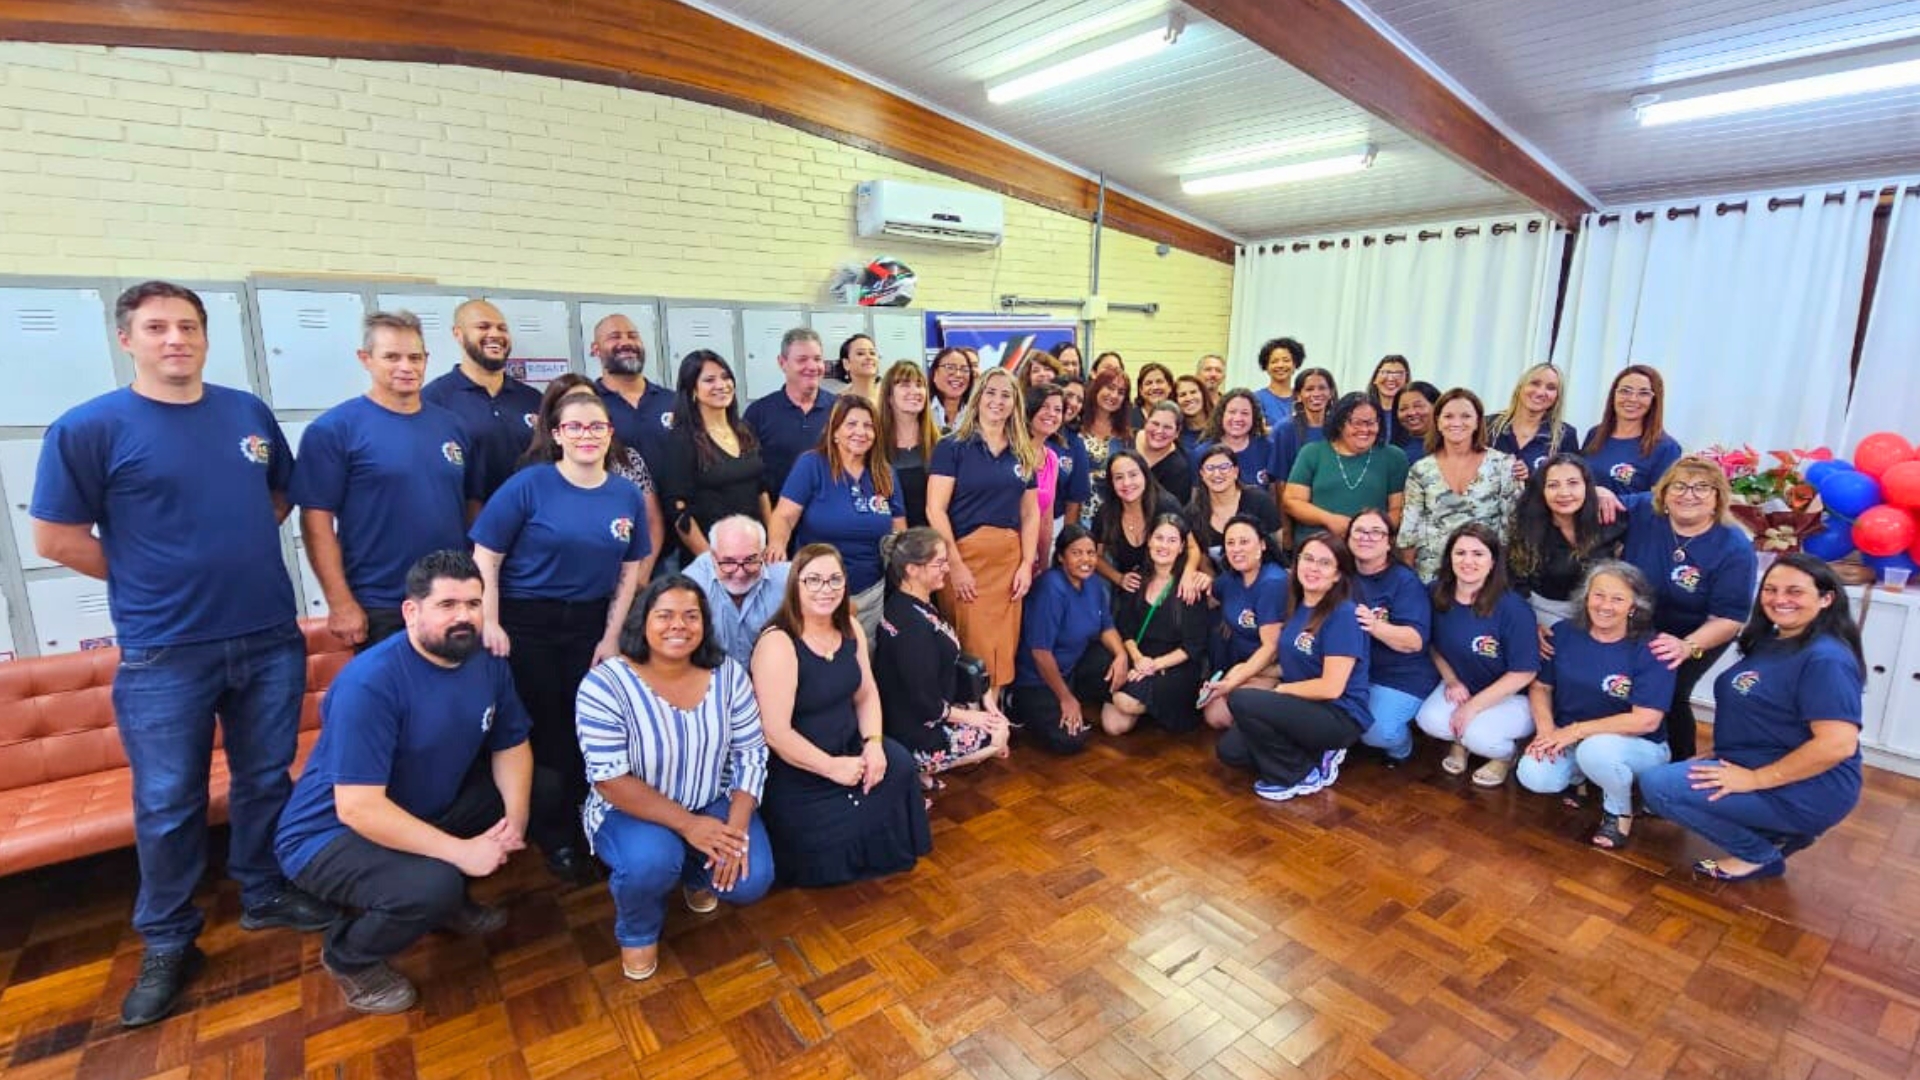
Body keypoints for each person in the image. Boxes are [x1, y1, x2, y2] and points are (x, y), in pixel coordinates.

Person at [32, 281, 336, 1028]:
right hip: (166, 651)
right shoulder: (90, 428)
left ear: (206, 337)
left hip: (267, 635)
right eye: (158, 327)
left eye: (190, 326)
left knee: (266, 778)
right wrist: (146, 573)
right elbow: (54, 538)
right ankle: (169, 939)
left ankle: (262, 892)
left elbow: (278, 498)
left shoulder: (247, 414)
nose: (177, 339)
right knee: (169, 802)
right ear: (126, 339)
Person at [274, 551, 561, 1013]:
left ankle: (445, 898)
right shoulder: (370, 682)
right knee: (435, 883)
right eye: (447, 605)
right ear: (411, 611)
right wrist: (464, 853)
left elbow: (511, 743)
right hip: (327, 835)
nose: (464, 616)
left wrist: (515, 821)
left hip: (418, 806)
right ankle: (350, 958)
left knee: (541, 788)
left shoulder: (485, 660)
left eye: (473, 603)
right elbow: (358, 808)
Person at [471, 391, 650, 881]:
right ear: (557, 434)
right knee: (544, 732)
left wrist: (611, 637)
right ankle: (555, 838)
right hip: (529, 624)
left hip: (591, 624)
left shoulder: (624, 494)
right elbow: (486, 556)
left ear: (609, 433)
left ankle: (592, 821)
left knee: (589, 728)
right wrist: (490, 620)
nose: (586, 436)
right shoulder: (529, 486)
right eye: (575, 427)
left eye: (596, 427)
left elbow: (630, 571)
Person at [576, 574, 773, 981]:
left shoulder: (729, 675)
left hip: (709, 798)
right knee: (651, 861)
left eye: (691, 616)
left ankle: (691, 870)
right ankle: (637, 930)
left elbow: (751, 752)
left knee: (751, 880)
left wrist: (733, 832)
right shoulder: (605, 684)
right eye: (664, 615)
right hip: (630, 811)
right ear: (642, 622)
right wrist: (691, 827)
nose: (678, 626)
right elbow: (609, 779)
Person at [1639, 554, 1865, 881]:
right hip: (1752, 763)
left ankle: (1757, 853)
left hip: (1809, 788)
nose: (1779, 599)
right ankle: (1780, 834)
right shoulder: (1772, 640)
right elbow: (1763, 713)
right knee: (1667, 780)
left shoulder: (1826, 658)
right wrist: (1722, 754)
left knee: (1658, 787)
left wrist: (1755, 780)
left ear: (1826, 598)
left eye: (1795, 591)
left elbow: (1837, 745)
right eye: (1770, 589)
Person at [294, 310, 479, 649]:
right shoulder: (335, 430)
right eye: (391, 357)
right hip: (380, 604)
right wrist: (340, 602)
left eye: (415, 357)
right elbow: (316, 521)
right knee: (391, 701)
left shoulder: (453, 427)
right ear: (365, 359)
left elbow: (471, 509)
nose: (406, 367)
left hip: (450, 598)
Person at [751, 545, 931, 885]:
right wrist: (831, 767)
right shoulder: (778, 643)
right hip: (801, 769)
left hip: (849, 746)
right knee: (845, 824)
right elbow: (775, 732)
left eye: (834, 580)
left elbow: (866, 694)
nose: (825, 589)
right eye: (814, 580)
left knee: (901, 764)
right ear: (796, 586)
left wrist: (874, 743)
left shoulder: (850, 626)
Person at [1515, 561, 1675, 850]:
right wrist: (1546, 731)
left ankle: (1619, 811)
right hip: (1573, 739)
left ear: (1633, 606)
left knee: (1596, 749)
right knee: (1533, 774)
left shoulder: (1653, 649)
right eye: (1598, 595)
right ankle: (1586, 778)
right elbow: (1540, 687)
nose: (1605, 605)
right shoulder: (1563, 634)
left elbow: (1646, 721)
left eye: (1617, 599)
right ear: (1585, 597)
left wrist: (1575, 731)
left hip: (1641, 746)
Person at [1619, 456, 1757, 762]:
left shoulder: (1734, 547)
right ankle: (1628, 756)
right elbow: (1601, 503)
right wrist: (1600, 494)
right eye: (1679, 486)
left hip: (1698, 632)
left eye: (1702, 488)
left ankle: (1676, 768)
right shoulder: (1644, 511)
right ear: (1664, 493)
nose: (1688, 494)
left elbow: (1730, 619)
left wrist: (1686, 646)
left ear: (1718, 498)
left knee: (1670, 693)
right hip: (1639, 624)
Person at [1218, 533, 1372, 800]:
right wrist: (1248, 673)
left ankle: (1299, 774)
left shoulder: (1343, 614)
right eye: (1308, 559)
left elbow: (1331, 687)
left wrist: (1277, 692)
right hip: (1304, 705)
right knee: (1231, 751)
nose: (1313, 568)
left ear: (1337, 575)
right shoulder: (1298, 606)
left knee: (1244, 701)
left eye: (1324, 563)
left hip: (1338, 714)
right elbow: (1293, 662)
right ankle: (1313, 753)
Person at [926, 367, 1043, 699]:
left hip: (1008, 563)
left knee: (1004, 643)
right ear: (978, 398)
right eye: (990, 392)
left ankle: (996, 717)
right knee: (972, 642)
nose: (997, 400)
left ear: (1015, 403)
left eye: (1006, 395)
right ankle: (972, 719)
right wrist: (955, 563)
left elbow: (1031, 512)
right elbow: (935, 509)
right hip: (965, 560)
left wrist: (1026, 564)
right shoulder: (952, 446)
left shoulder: (1023, 451)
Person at [873, 529, 1011, 783]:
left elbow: (960, 664)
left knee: (993, 721)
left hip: (916, 712)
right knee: (998, 733)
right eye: (939, 563)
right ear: (913, 569)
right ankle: (917, 770)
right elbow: (925, 701)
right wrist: (976, 717)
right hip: (915, 728)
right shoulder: (912, 626)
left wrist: (988, 706)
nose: (946, 568)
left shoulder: (907, 605)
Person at [766, 395, 905, 638]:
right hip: (819, 592)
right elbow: (784, 516)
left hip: (871, 593)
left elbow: (899, 531)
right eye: (851, 424)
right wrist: (776, 544)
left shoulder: (885, 472)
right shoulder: (812, 464)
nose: (860, 432)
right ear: (835, 431)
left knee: (865, 662)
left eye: (868, 426)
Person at [1415, 524, 1541, 786]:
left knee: (1479, 735)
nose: (1468, 561)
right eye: (1460, 553)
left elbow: (1524, 672)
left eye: (1478, 554)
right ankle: (1462, 741)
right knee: (1429, 721)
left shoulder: (1513, 608)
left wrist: (1472, 707)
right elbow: (1432, 645)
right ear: (1449, 558)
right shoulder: (1436, 593)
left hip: (1512, 696)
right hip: (1464, 684)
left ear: (1493, 561)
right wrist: (1451, 680)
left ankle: (1506, 755)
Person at [524, 376, 665, 587]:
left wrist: (641, 574)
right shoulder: (533, 472)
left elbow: (653, 521)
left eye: (589, 401)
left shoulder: (628, 459)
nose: (582, 410)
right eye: (570, 404)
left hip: (632, 578)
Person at [1008, 526, 1129, 754]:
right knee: (1070, 740)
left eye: (1091, 553)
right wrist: (1066, 698)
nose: (1086, 560)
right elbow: (1040, 652)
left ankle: (1079, 701)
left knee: (1120, 665)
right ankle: (1020, 707)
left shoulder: (1092, 582)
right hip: (1037, 680)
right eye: (1077, 553)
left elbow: (1106, 625)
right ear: (1061, 557)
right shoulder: (1051, 588)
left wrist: (1121, 655)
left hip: (1073, 667)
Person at [422, 299, 542, 502]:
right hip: (467, 527)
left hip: (532, 524)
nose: (495, 334)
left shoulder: (533, 399)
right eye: (483, 327)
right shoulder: (434, 399)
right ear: (458, 334)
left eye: (502, 328)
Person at [1345, 510, 1439, 766]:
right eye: (1360, 531)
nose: (1367, 537)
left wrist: (1374, 625)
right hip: (1354, 672)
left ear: (1389, 542)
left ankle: (1401, 748)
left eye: (1376, 532)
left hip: (1400, 676)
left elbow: (1414, 640)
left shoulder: (1404, 580)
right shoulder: (1340, 575)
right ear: (1348, 539)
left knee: (1378, 732)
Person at [1104, 515, 1212, 735]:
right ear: (1149, 541)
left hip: (1176, 666)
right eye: (1159, 538)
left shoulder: (1189, 586)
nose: (1164, 545)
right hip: (1141, 659)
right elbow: (1125, 629)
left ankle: (1145, 701)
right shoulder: (1137, 579)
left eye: (1172, 540)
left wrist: (1153, 665)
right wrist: (1138, 660)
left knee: (1124, 702)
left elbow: (1193, 647)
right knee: (1113, 725)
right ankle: (1147, 704)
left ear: (1182, 547)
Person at [1397, 388, 1520, 581]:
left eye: (1465, 416)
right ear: (1437, 422)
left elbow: (1511, 527)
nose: (1456, 423)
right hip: (1432, 575)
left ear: (1478, 422)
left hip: (1484, 576)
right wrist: (1407, 578)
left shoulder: (1502, 465)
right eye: (1448, 416)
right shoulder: (1420, 470)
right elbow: (1410, 530)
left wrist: (1499, 576)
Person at [658, 350, 768, 557]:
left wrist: (769, 542)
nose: (721, 385)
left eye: (726, 377)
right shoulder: (683, 439)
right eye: (709, 380)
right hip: (713, 557)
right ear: (692, 390)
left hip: (754, 553)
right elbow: (678, 508)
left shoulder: (744, 430)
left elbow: (761, 489)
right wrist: (710, 561)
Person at [1509, 454, 1626, 628]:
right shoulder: (1527, 527)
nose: (1564, 493)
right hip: (1547, 613)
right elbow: (1516, 584)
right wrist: (1529, 624)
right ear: (1542, 491)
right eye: (1553, 485)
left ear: (1587, 486)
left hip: (1605, 610)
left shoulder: (1609, 518)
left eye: (1573, 483)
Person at [1200, 516, 1289, 730]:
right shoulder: (1232, 579)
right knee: (1215, 715)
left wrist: (1234, 680)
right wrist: (1199, 581)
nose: (1236, 549)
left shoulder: (1272, 583)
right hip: (1242, 662)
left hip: (1274, 666)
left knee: (1223, 711)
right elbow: (1212, 596)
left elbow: (1271, 647)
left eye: (1244, 541)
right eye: (1230, 543)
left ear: (1262, 545)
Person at [1284, 392, 1409, 542]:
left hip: (1371, 545)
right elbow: (1292, 502)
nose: (1364, 429)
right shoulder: (1312, 453)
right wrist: (1329, 520)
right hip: (1317, 546)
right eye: (1356, 423)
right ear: (1339, 423)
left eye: (1371, 422)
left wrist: (1368, 532)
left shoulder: (1394, 457)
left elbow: (1398, 510)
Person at [682, 515, 791, 667]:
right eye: (729, 562)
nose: (740, 573)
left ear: (764, 553)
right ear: (712, 557)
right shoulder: (690, 587)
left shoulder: (790, 580)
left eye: (750, 560)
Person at [745, 327, 837, 499]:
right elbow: (751, 476)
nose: (812, 367)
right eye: (802, 360)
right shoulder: (759, 413)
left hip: (830, 516)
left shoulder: (840, 410)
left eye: (817, 359)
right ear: (782, 363)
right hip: (777, 516)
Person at [589, 313, 674, 473]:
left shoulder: (672, 400)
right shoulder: (588, 404)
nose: (626, 342)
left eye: (633, 336)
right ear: (596, 349)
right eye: (614, 337)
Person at [1583, 364, 1682, 497]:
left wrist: (1610, 500)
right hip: (1583, 517)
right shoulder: (1595, 434)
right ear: (1614, 395)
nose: (1632, 399)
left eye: (1644, 393)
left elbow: (1661, 500)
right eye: (1625, 391)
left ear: (1654, 400)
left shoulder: (1666, 448)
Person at [1186, 443, 1284, 572]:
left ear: (1235, 472)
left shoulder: (1259, 500)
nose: (1217, 473)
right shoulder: (1193, 512)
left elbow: (1276, 547)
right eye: (1210, 468)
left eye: (1224, 467)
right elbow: (1202, 562)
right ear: (1202, 474)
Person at [1486, 362, 1578, 480]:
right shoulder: (1488, 425)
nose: (1540, 392)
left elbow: (1568, 483)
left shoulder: (1565, 435)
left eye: (1551, 388)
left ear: (1557, 397)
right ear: (1520, 387)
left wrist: (1532, 477)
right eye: (1534, 383)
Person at [876, 360, 937, 528]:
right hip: (892, 541)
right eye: (904, 385)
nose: (915, 391)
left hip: (935, 540)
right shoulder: (874, 446)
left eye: (919, 385)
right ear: (889, 396)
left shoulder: (943, 443)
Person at [1023, 384, 1075, 570]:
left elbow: (1046, 518)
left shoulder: (1051, 458)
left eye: (1058, 409)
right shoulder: (1012, 452)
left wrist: (1044, 563)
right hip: (1007, 551)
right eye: (1045, 406)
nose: (1051, 414)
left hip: (1034, 557)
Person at [1075, 367, 1132, 528]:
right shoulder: (1075, 428)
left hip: (1114, 521)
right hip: (1077, 516)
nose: (1114, 395)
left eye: (1121, 392)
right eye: (1110, 387)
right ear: (1097, 388)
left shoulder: (1126, 437)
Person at [1268, 368, 1337, 492]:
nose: (1316, 394)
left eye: (1322, 388)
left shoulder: (1339, 428)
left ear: (1331, 392)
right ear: (1298, 395)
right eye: (1309, 389)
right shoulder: (1285, 429)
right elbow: (1279, 481)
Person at [1202, 389, 1272, 490]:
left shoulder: (1268, 448)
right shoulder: (1202, 452)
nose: (1238, 418)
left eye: (1245, 413)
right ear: (1222, 415)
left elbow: (1275, 494)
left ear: (1254, 417)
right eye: (1232, 412)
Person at [1135, 401, 1192, 504]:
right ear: (1146, 423)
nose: (1159, 431)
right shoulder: (1125, 441)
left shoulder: (1179, 469)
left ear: (1177, 433)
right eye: (1155, 424)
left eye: (1167, 427)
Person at [1251, 337, 1302, 431]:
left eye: (1286, 360)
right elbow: (1259, 431)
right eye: (1274, 361)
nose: (1280, 365)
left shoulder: (1302, 397)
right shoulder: (1256, 399)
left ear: (1295, 365)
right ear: (1266, 367)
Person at [1367, 354, 1411, 448]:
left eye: (1399, 374)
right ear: (1375, 379)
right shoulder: (1362, 409)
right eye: (1385, 372)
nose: (1391, 379)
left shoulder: (1412, 414)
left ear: (1406, 381)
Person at [1394, 381, 1439, 467]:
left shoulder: (1450, 444)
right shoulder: (1395, 448)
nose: (1411, 413)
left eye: (1418, 406)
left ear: (1437, 406)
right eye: (1403, 409)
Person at [929, 347, 974, 433]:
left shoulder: (975, 415)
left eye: (964, 369)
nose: (958, 374)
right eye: (950, 367)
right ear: (935, 374)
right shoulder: (922, 411)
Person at [831, 332, 881, 403]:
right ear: (846, 363)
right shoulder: (837, 402)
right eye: (860, 353)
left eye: (872, 353)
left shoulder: (891, 397)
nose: (869, 357)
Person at [1173, 374, 1216, 456]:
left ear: (1203, 394)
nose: (1189, 398)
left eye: (1193, 392)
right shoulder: (1175, 434)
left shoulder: (1220, 428)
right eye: (1182, 395)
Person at [1134, 362, 1177, 427]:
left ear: (1170, 387)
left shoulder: (1179, 417)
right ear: (1141, 390)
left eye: (1159, 381)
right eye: (1148, 383)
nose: (1155, 387)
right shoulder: (1127, 418)